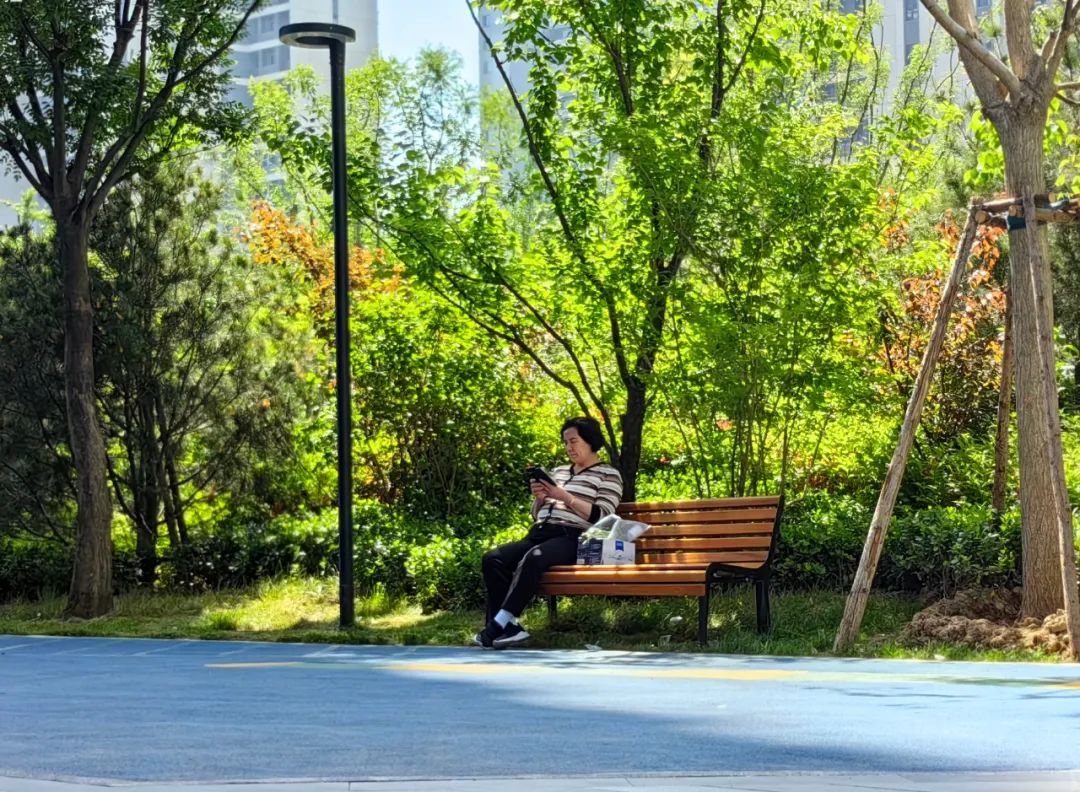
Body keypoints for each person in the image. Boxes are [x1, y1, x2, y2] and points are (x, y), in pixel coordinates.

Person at [474, 416, 623, 649]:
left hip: (575, 536)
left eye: (574, 441)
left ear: (590, 440)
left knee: (534, 557)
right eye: (565, 443)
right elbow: (537, 514)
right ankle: (510, 628)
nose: (569, 448)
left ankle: (497, 626)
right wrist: (540, 499)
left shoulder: (608, 475)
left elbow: (603, 517)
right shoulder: (560, 471)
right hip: (541, 531)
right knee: (493, 559)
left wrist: (565, 496)